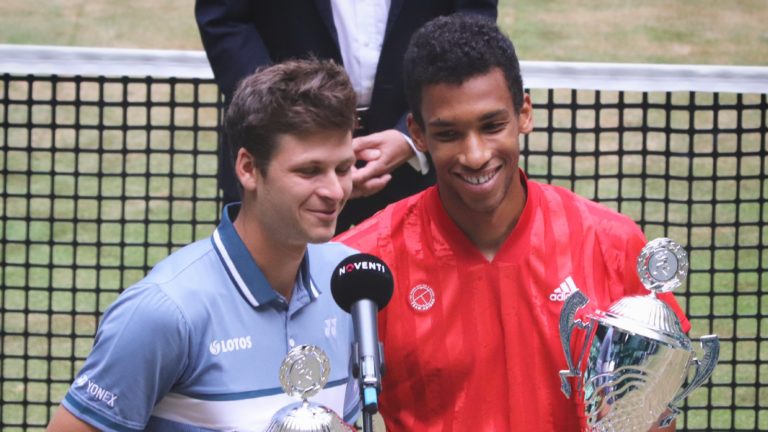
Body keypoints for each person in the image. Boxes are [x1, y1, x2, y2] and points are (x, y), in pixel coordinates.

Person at [336, 14, 690, 431]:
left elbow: (654, 408)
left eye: (492, 125)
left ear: (524, 113)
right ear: (418, 133)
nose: (475, 154)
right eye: (448, 134)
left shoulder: (612, 245)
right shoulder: (360, 267)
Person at [48, 59, 362, 431]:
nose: (334, 191)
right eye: (309, 171)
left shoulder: (350, 281)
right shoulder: (164, 312)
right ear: (247, 168)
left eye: (343, 169)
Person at [195, 0, 498, 232]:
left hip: (420, 173)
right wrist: (287, 127)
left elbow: (472, 19)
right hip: (281, 165)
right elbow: (225, 20)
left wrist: (414, 134)